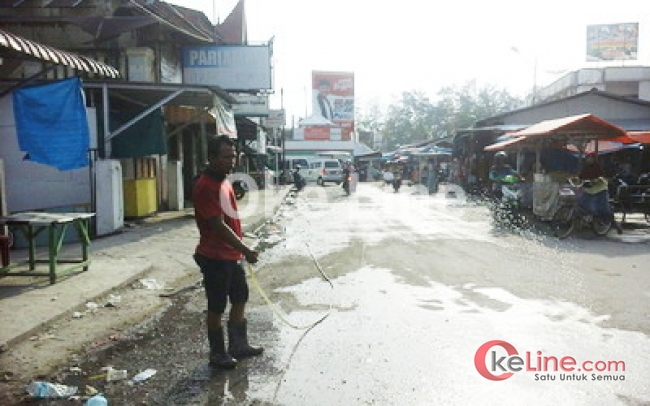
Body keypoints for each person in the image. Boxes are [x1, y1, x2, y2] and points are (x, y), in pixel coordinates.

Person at [192, 134, 263, 369]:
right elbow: (218, 226)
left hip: (231, 254)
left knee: (241, 297)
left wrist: (240, 249)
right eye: (226, 157)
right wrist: (245, 248)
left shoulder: (224, 181)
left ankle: (238, 345)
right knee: (216, 306)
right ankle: (217, 353)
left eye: (233, 156)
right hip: (215, 256)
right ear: (211, 158)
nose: (231, 161)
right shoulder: (205, 185)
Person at [577, 152, 623, 234]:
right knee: (581, 202)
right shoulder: (585, 167)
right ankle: (588, 218)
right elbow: (580, 176)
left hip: (600, 190)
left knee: (604, 210)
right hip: (589, 190)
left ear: (594, 159)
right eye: (587, 158)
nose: (588, 159)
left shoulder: (598, 167)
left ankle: (616, 226)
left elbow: (602, 177)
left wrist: (596, 180)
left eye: (590, 158)